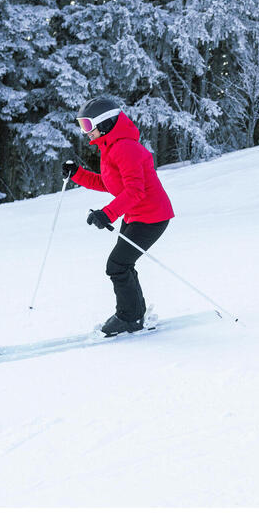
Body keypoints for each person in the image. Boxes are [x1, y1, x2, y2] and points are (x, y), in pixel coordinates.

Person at [62, 96, 174, 337]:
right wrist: (77, 174)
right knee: (122, 264)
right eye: (82, 125)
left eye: (88, 125)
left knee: (118, 265)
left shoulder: (125, 148)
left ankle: (130, 317)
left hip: (151, 217)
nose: (85, 132)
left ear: (105, 123)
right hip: (136, 215)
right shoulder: (111, 147)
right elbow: (110, 183)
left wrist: (108, 214)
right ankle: (135, 313)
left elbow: (135, 190)